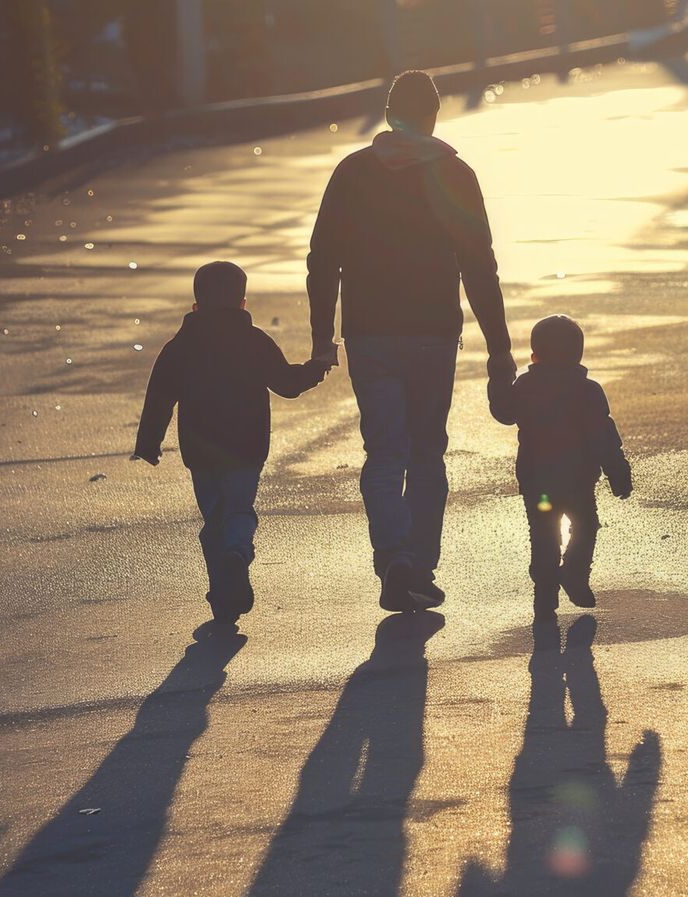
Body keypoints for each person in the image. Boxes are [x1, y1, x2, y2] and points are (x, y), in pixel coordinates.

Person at [307, 69, 515, 613]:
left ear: (388, 114)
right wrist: (500, 347)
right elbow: (479, 267)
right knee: (426, 451)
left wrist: (321, 337)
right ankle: (419, 565)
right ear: (433, 116)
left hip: (369, 333)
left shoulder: (352, 172)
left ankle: (394, 557)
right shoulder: (454, 173)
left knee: (383, 451)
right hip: (431, 334)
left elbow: (322, 259)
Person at [134, 261, 328, 625]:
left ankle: (222, 594)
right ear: (242, 302)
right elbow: (286, 384)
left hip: (201, 448)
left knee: (214, 518)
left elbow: (159, 396)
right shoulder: (254, 341)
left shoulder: (180, 347)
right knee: (239, 510)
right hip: (246, 445)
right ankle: (237, 553)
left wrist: (148, 442)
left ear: (196, 306)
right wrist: (316, 368)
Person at [491, 315, 632, 613]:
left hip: (537, 481)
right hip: (577, 481)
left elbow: (504, 412)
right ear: (578, 354)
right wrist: (618, 473)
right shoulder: (588, 391)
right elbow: (604, 436)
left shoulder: (526, 386)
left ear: (534, 356)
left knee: (543, 535)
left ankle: (546, 594)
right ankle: (574, 574)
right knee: (584, 526)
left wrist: (500, 377)